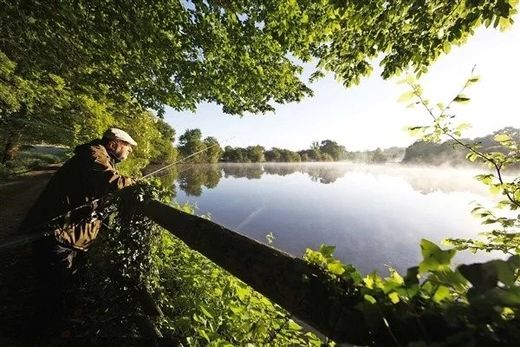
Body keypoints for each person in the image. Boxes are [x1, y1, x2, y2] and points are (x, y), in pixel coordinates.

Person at [21, 128, 137, 339]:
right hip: (54, 232)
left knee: (60, 285)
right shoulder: (94, 156)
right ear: (113, 144)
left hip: (60, 233)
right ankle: (38, 335)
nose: (129, 151)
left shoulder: (98, 156)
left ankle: (51, 329)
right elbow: (113, 182)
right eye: (127, 146)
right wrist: (134, 183)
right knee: (54, 288)